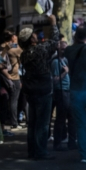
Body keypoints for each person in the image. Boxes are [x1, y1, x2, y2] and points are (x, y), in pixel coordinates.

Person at [19, 14, 59, 160]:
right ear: (31, 39)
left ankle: (32, 150)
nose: (35, 35)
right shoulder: (40, 50)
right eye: (33, 34)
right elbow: (55, 41)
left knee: (33, 122)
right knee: (42, 123)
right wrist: (53, 23)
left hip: (30, 90)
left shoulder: (24, 54)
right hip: (43, 89)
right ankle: (41, 151)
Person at [64, 26, 86, 163]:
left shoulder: (69, 50)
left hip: (75, 90)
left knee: (80, 124)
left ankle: (84, 154)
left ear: (76, 36)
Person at [51, 37, 77, 150]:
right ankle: (57, 143)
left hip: (69, 90)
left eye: (65, 49)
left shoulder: (66, 60)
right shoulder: (56, 61)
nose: (64, 51)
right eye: (62, 49)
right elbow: (55, 79)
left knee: (72, 117)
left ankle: (71, 142)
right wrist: (65, 73)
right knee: (61, 118)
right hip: (61, 91)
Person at [5, 32, 23, 130]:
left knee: (12, 100)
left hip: (10, 76)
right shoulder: (14, 49)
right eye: (15, 36)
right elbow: (22, 54)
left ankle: (12, 120)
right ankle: (14, 122)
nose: (16, 37)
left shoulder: (6, 48)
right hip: (14, 77)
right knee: (14, 100)